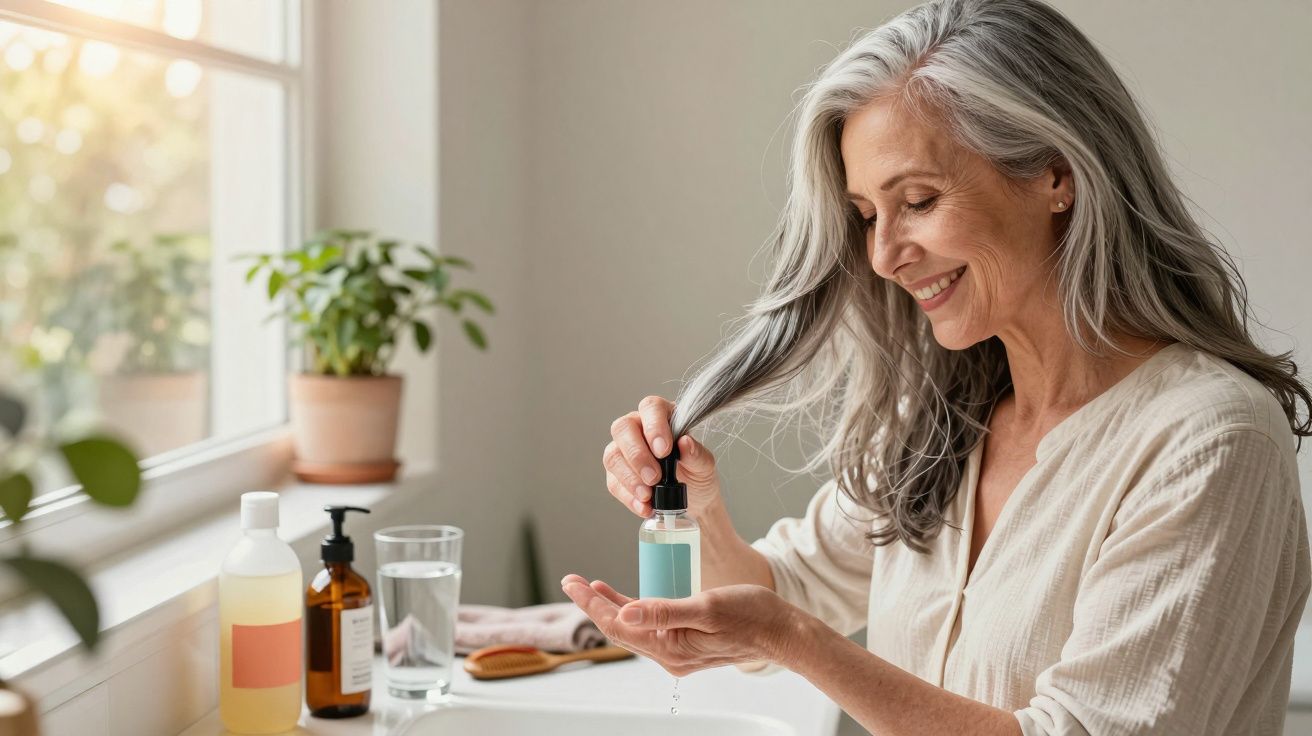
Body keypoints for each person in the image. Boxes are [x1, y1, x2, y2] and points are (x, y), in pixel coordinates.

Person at [561, 0, 1311, 733]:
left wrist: (790, 637)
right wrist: (698, 508)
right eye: (866, 215)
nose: (885, 255)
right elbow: (782, 590)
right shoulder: (937, 420)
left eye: (917, 200)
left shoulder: (1208, 443)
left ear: (1057, 174)